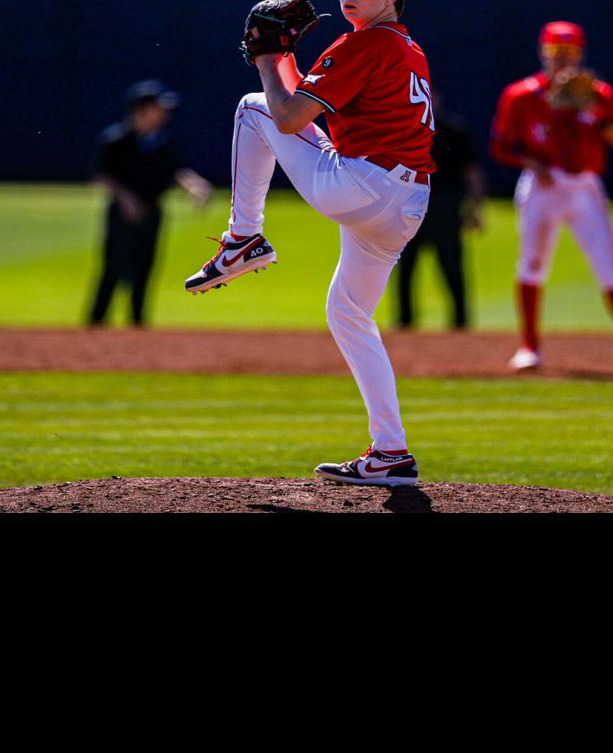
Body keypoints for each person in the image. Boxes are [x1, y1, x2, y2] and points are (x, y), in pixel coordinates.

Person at [185, 0, 433, 487]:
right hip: (405, 202)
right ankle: (391, 451)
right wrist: (283, 56)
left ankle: (242, 238)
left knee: (252, 109)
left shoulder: (365, 42)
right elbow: (305, 99)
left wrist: (263, 59)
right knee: (348, 312)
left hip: (365, 184)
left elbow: (288, 117)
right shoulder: (404, 45)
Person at [489, 21, 613, 375]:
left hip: (584, 188)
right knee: (532, 264)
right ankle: (529, 347)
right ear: (543, 53)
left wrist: (592, 113)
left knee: (610, 266)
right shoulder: (521, 95)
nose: (562, 60)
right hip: (542, 186)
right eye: (556, 52)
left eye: (569, 53)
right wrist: (534, 164)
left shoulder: (597, 94)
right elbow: (502, 146)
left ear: (580, 55)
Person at [87, 80, 211, 329]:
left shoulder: (162, 143)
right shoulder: (116, 140)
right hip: (123, 216)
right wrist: (125, 198)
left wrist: (195, 186)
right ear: (141, 109)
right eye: (158, 107)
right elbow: (102, 174)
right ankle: (95, 327)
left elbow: (175, 172)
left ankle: (138, 327)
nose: (164, 113)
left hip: (152, 212)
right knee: (113, 269)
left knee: (145, 269)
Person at [393, 88, 486, 332]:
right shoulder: (405, 131)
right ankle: (405, 322)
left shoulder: (454, 131)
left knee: (451, 265)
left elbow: (471, 172)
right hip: (410, 205)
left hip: (446, 204)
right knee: (405, 265)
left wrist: (475, 208)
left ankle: (460, 324)